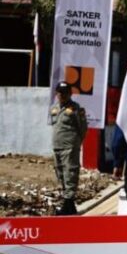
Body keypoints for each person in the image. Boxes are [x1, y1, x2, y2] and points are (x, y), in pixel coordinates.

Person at [50, 81, 87, 215]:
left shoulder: (76, 109)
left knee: (70, 173)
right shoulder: (54, 108)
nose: (62, 96)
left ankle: (68, 204)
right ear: (57, 93)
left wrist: (75, 143)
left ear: (70, 94)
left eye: (65, 93)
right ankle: (69, 206)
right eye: (60, 93)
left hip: (69, 147)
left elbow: (82, 128)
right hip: (57, 147)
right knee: (60, 174)